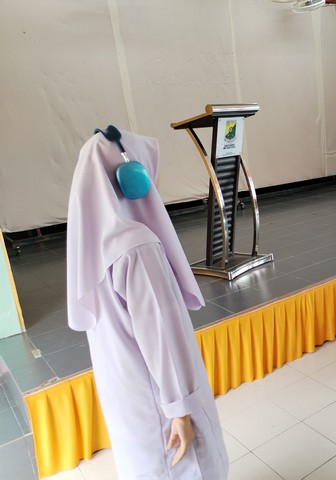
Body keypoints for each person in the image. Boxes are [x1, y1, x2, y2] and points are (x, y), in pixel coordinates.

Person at [66, 128, 229, 479]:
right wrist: (181, 409)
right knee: (187, 468)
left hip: (128, 399)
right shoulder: (136, 246)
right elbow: (162, 337)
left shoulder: (95, 243)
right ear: (131, 178)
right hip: (162, 403)